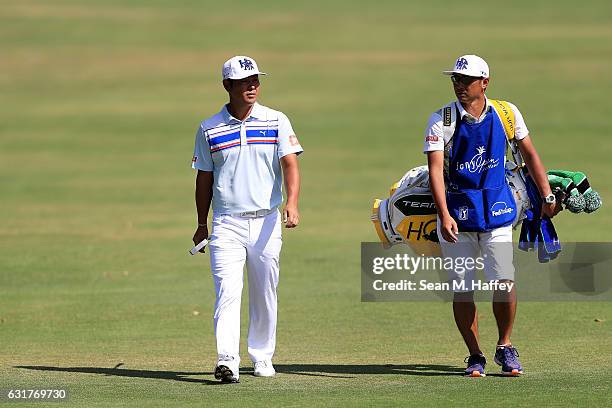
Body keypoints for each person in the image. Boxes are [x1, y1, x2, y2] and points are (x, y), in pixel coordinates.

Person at [424, 54, 557, 377]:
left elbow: (530, 153)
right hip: (458, 218)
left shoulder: (507, 113)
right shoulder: (441, 119)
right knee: (463, 289)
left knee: (504, 281)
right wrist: (443, 214)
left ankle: (505, 346)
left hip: (498, 213)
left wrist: (547, 194)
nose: (459, 85)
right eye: (455, 79)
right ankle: (475, 355)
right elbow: (435, 170)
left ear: (484, 82)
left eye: (465, 80)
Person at [191, 56, 303, 383]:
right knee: (227, 290)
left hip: (267, 221)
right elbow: (203, 179)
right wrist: (201, 223)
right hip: (226, 223)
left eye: (255, 80)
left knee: (265, 292)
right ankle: (227, 359)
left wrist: (292, 204)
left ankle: (262, 356)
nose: (252, 86)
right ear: (227, 86)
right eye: (244, 81)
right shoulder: (209, 128)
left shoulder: (276, 120)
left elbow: (290, 164)